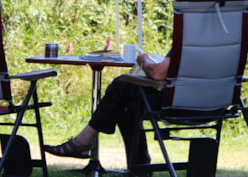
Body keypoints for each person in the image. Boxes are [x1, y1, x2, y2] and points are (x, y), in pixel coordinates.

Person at [43, 51, 171, 170]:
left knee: (121, 85)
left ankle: (82, 142)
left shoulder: (184, 44)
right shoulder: (188, 44)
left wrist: (144, 60)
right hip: (185, 101)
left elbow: (158, 73)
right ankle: (140, 168)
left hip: (173, 104)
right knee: (124, 101)